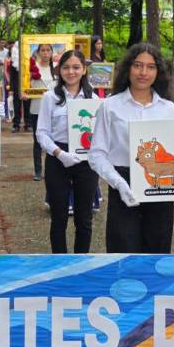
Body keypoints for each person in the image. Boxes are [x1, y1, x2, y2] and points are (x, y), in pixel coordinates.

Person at [88, 43, 174, 253]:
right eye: (138, 65)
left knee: (157, 247)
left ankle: (155, 287)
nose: (143, 72)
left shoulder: (168, 108)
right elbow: (97, 154)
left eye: (151, 67)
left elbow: (171, 150)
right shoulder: (110, 105)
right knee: (123, 248)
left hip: (160, 188)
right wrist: (118, 183)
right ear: (128, 68)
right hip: (123, 183)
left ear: (159, 72)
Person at [36, 49, 99, 253]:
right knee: (59, 217)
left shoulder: (94, 98)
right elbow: (42, 133)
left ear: (83, 70)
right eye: (65, 67)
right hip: (58, 157)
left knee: (84, 217)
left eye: (76, 67)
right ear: (59, 70)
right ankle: (60, 262)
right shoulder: (49, 97)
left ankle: (81, 261)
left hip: (86, 158)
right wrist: (58, 153)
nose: (70, 72)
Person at [28, 43, 57, 180]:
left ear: (52, 52)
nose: (45, 53)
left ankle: (53, 169)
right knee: (37, 140)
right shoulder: (31, 68)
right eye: (43, 50)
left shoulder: (56, 68)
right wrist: (24, 93)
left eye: (48, 50)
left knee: (54, 139)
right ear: (38, 52)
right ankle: (38, 171)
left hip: (54, 109)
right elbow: (26, 86)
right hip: (36, 108)